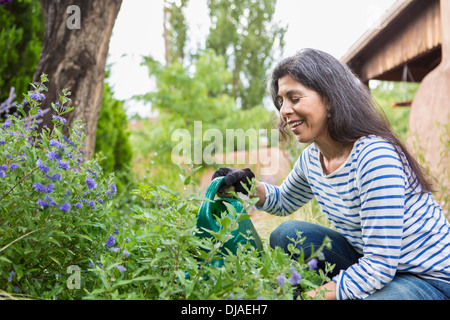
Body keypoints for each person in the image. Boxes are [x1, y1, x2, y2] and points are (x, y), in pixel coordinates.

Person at [212, 48, 450, 300]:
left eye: (294, 98)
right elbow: (283, 200)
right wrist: (247, 185)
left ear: (330, 99)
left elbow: (380, 264)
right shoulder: (312, 160)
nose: (284, 111)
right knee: (286, 234)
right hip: (375, 262)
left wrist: (310, 297)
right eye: (281, 101)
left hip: (429, 277)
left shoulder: (374, 157)